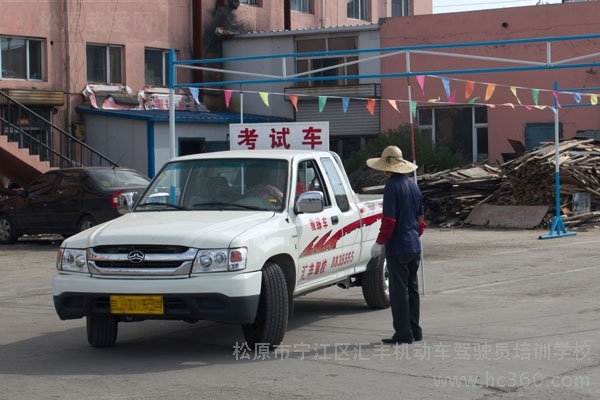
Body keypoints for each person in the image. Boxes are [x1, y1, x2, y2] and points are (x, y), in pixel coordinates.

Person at [366, 145, 427, 345]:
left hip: (398, 247)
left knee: (399, 292)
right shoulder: (412, 185)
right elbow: (421, 218)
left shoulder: (392, 186)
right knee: (412, 289)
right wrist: (415, 234)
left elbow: (389, 221)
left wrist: (379, 243)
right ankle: (415, 330)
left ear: (387, 167)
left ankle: (403, 333)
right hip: (413, 245)